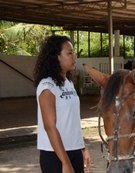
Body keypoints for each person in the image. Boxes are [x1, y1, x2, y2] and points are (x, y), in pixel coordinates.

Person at [33, 35, 91, 173]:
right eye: (69, 53)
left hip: (74, 150)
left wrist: (82, 147)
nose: (74, 57)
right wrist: (65, 162)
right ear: (56, 57)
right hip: (55, 155)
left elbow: (72, 121)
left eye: (73, 53)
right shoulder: (47, 86)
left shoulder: (68, 83)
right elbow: (49, 126)